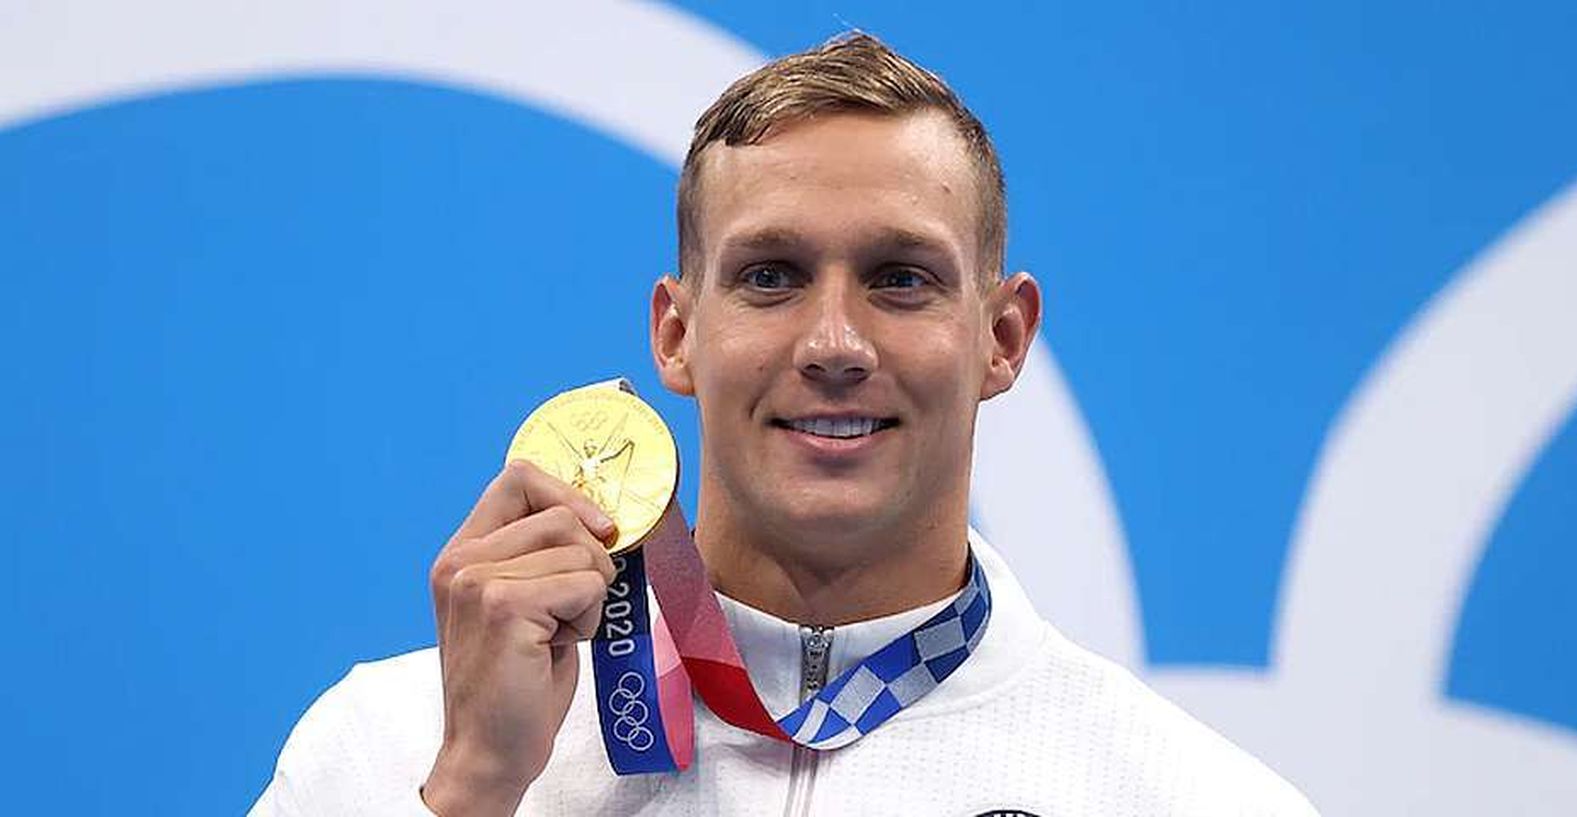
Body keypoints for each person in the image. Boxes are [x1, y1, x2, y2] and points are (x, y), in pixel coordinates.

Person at [249, 33, 1319, 817]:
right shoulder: (388, 744)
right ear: (676, 333)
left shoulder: (1184, 796)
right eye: (771, 276)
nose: (834, 340)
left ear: (1001, 336)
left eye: (900, 279)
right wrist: (477, 784)